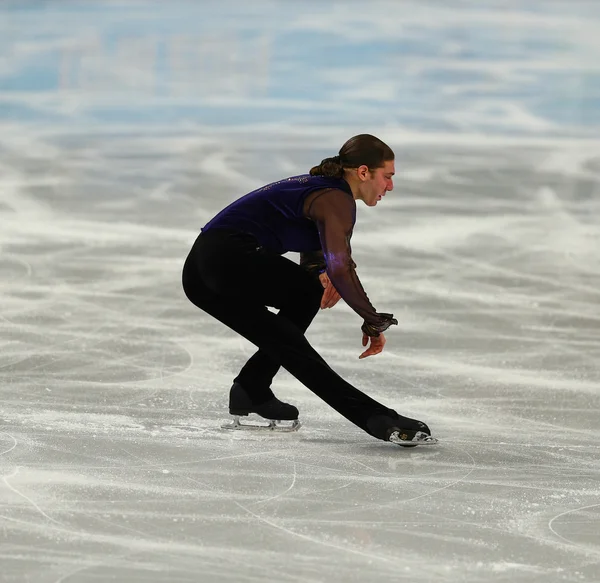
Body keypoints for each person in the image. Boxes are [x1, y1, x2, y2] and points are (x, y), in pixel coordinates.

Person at [182, 134, 435, 446]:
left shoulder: (327, 193)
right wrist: (373, 320)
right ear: (364, 172)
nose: (390, 187)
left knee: (290, 327)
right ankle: (375, 417)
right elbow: (340, 267)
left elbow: (321, 258)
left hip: (199, 272)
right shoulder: (335, 198)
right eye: (388, 177)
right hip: (227, 259)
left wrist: (320, 273)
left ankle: (252, 388)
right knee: (298, 338)